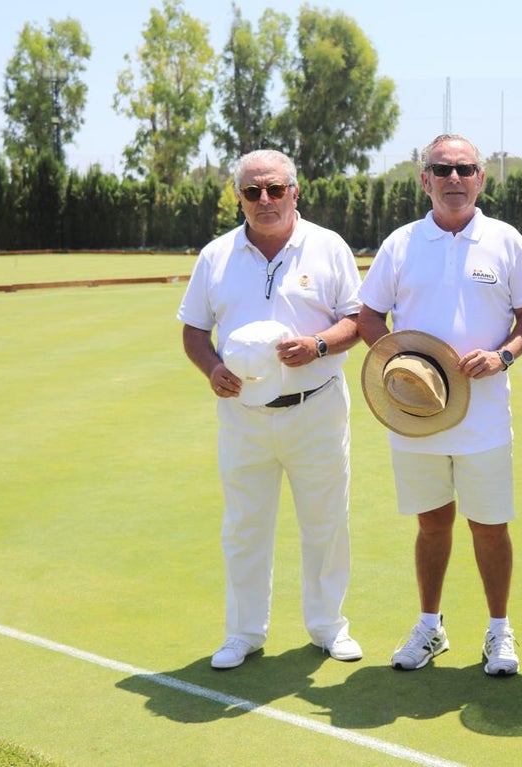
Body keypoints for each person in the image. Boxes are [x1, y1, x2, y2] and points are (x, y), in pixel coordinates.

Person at [356, 134, 522, 676]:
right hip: (415, 413)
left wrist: (503, 357)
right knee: (432, 523)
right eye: (442, 169)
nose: (453, 178)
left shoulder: (506, 240)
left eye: (464, 169)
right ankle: (430, 627)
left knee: (490, 525)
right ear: (425, 180)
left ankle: (499, 631)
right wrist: (401, 365)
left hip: (484, 414)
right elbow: (369, 317)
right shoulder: (401, 244)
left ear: (481, 178)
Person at [177, 149, 365, 670]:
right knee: (245, 526)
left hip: (316, 408)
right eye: (253, 191)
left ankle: (328, 627)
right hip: (243, 415)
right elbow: (194, 330)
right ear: (238, 197)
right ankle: (243, 633)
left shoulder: (328, 246)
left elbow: (357, 320)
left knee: (327, 522)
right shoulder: (216, 255)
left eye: (275, 189)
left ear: (294, 192)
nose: (265, 199)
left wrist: (318, 345)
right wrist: (212, 368)